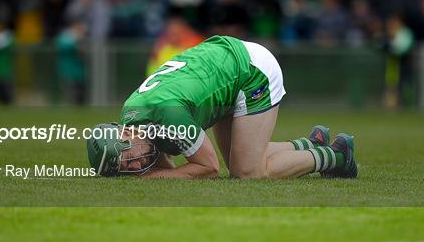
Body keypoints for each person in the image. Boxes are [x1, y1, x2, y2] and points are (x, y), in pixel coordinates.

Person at [86, 35, 357, 179]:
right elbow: (167, 165)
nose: (135, 164)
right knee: (240, 156)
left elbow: (208, 168)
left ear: (124, 132)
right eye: (125, 167)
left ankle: (337, 155)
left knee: (247, 171)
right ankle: (309, 144)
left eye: (126, 155)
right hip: (223, 69)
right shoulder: (132, 115)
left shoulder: (165, 114)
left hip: (250, 71)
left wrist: (153, 177)